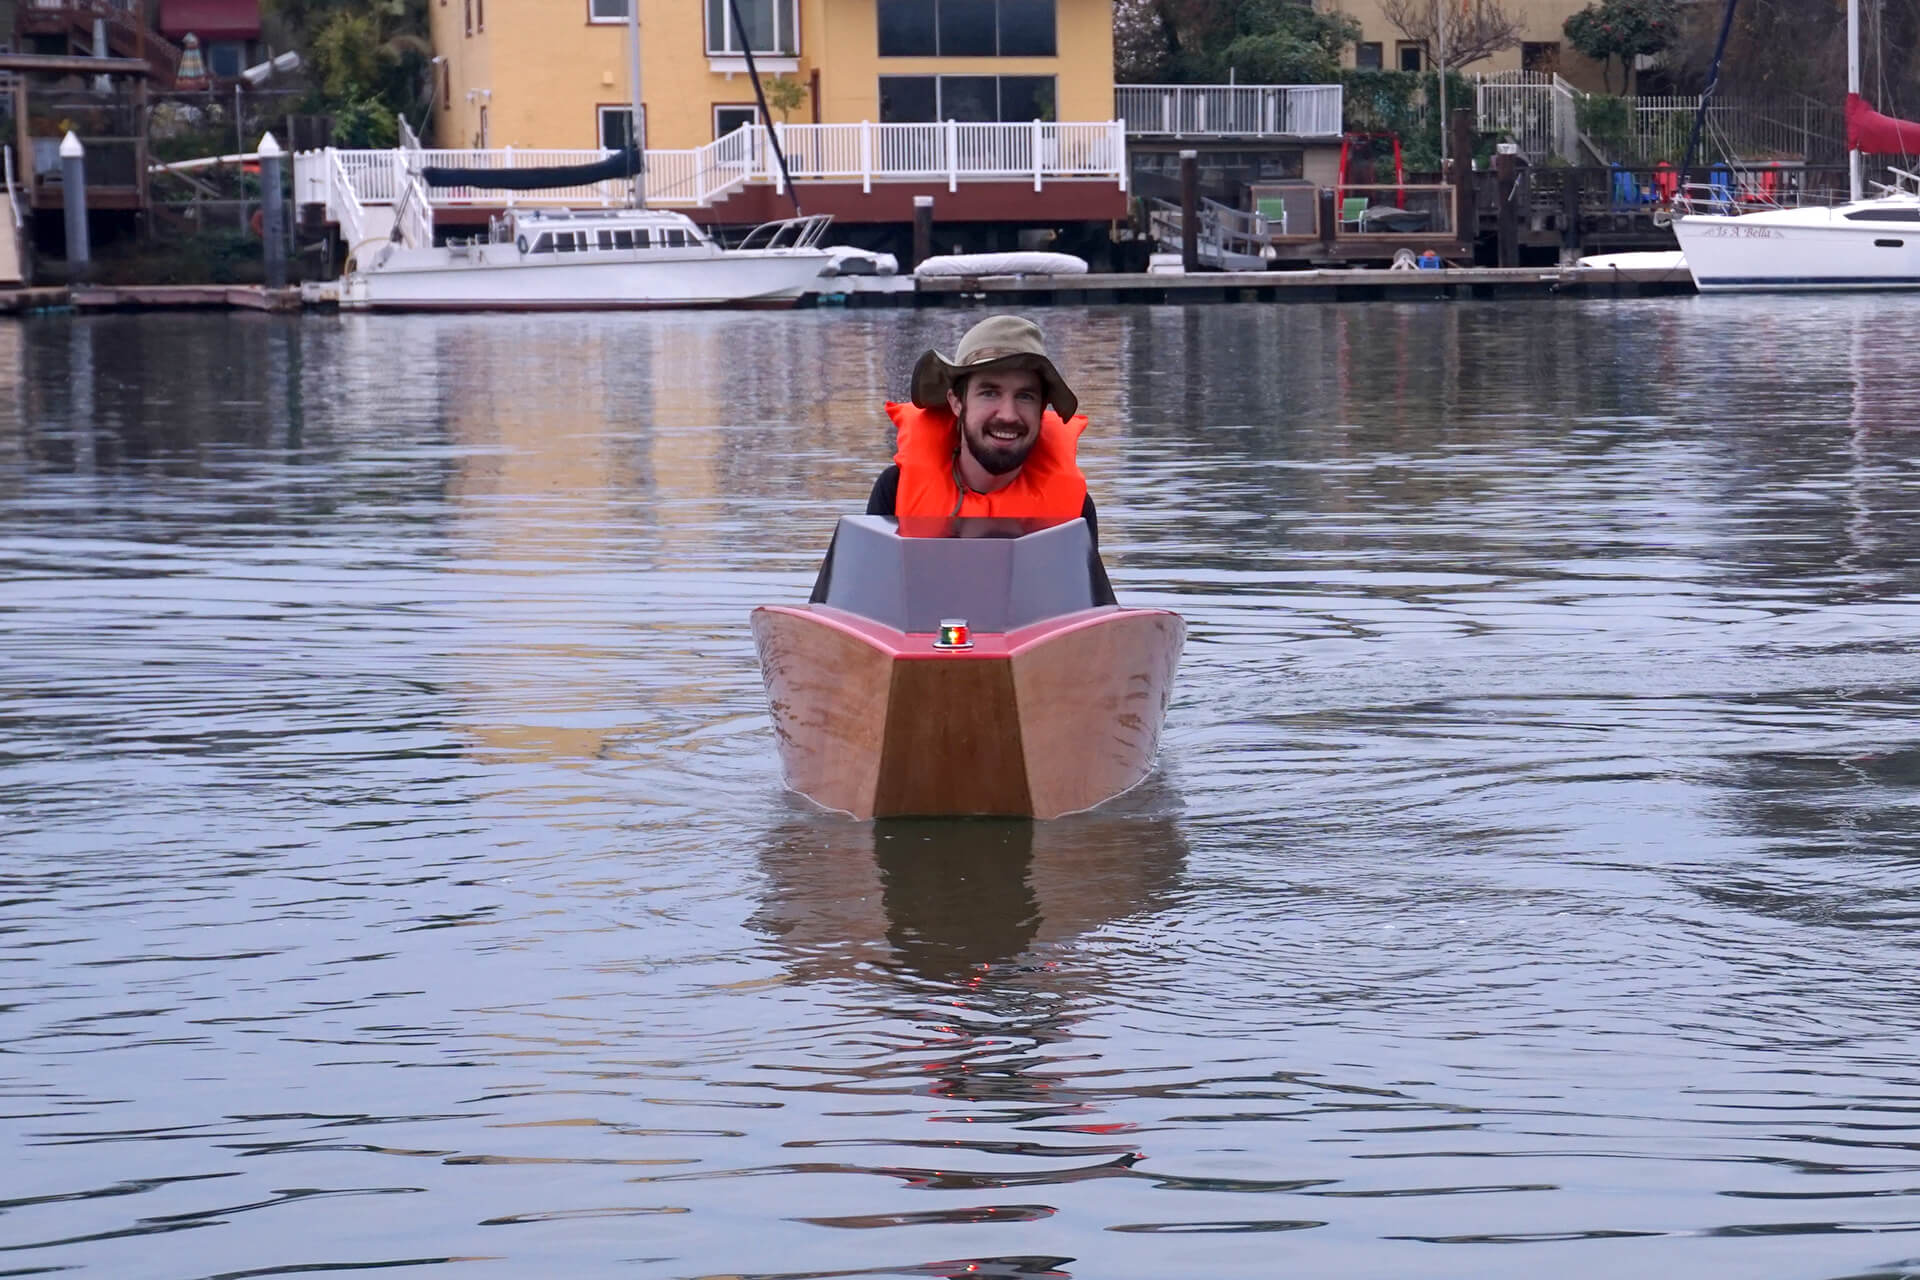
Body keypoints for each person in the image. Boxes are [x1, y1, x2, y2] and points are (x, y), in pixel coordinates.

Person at [868, 314, 1100, 543]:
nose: (1008, 415)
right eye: (989, 393)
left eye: (1025, 396)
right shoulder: (894, 489)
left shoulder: (1077, 510)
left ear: (1041, 410)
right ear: (956, 402)